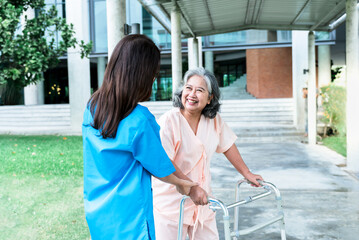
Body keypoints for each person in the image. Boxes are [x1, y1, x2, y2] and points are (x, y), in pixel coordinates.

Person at [82, 34, 197, 240]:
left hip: (98, 213)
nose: (154, 79)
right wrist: (183, 184)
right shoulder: (139, 120)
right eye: (153, 74)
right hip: (131, 220)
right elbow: (160, 168)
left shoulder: (92, 108)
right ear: (142, 75)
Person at [152, 67, 263, 240]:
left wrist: (246, 173)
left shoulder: (213, 120)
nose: (192, 94)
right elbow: (165, 160)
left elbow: (228, 145)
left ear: (210, 98)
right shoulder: (169, 120)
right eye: (188, 88)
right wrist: (191, 188)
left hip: (202, 202)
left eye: (200, 90)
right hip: (172, 203)